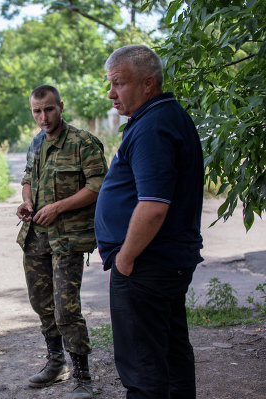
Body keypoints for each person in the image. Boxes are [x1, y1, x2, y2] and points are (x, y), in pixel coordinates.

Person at [95, 45, 204, 398]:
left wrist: (125, 258)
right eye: (110, 84)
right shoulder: (162, 118)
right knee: (170, 355)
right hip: (162, 263)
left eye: (118, 84)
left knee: (142, 368)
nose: (111, 94)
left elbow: (154, 205)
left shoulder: (153, 127)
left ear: (148, 83)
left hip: (145, 265)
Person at [16, 85, 107, 398]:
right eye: (37, 111)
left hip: (67, 238)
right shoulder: (37, 143)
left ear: (61, 106)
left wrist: (58, 207)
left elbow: (98, 186)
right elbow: (28, 179)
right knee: (42, 304)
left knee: (66, 308)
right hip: (35, 237)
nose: (43, 117)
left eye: (49, 109)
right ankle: (56, 364)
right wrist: (27, 202)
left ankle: (83, 376)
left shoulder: (83, 142)